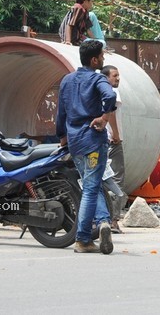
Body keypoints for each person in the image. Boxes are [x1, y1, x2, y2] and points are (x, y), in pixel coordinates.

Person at [56, 39, 118, 255]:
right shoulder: (97, 79)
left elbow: (60, 112)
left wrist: (62, 136)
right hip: (93, 140)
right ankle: (82, 239)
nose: (103, 59)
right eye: (102, 56)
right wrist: (104, 117)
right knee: (91, 188)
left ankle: (102, 222)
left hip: (75, 142)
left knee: (92, 184)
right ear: (94, 59)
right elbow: (110, 95)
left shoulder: (67, 80)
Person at [101, 64, 126, 233]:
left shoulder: (97, 91)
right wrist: (116, 134)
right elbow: (111, 114)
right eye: (114, 75)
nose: (117, 78)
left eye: (118, 75)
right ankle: (114, 220)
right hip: (112, 141)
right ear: (106, 77)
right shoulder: (111, 92)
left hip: (100, 141)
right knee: (117, 179)